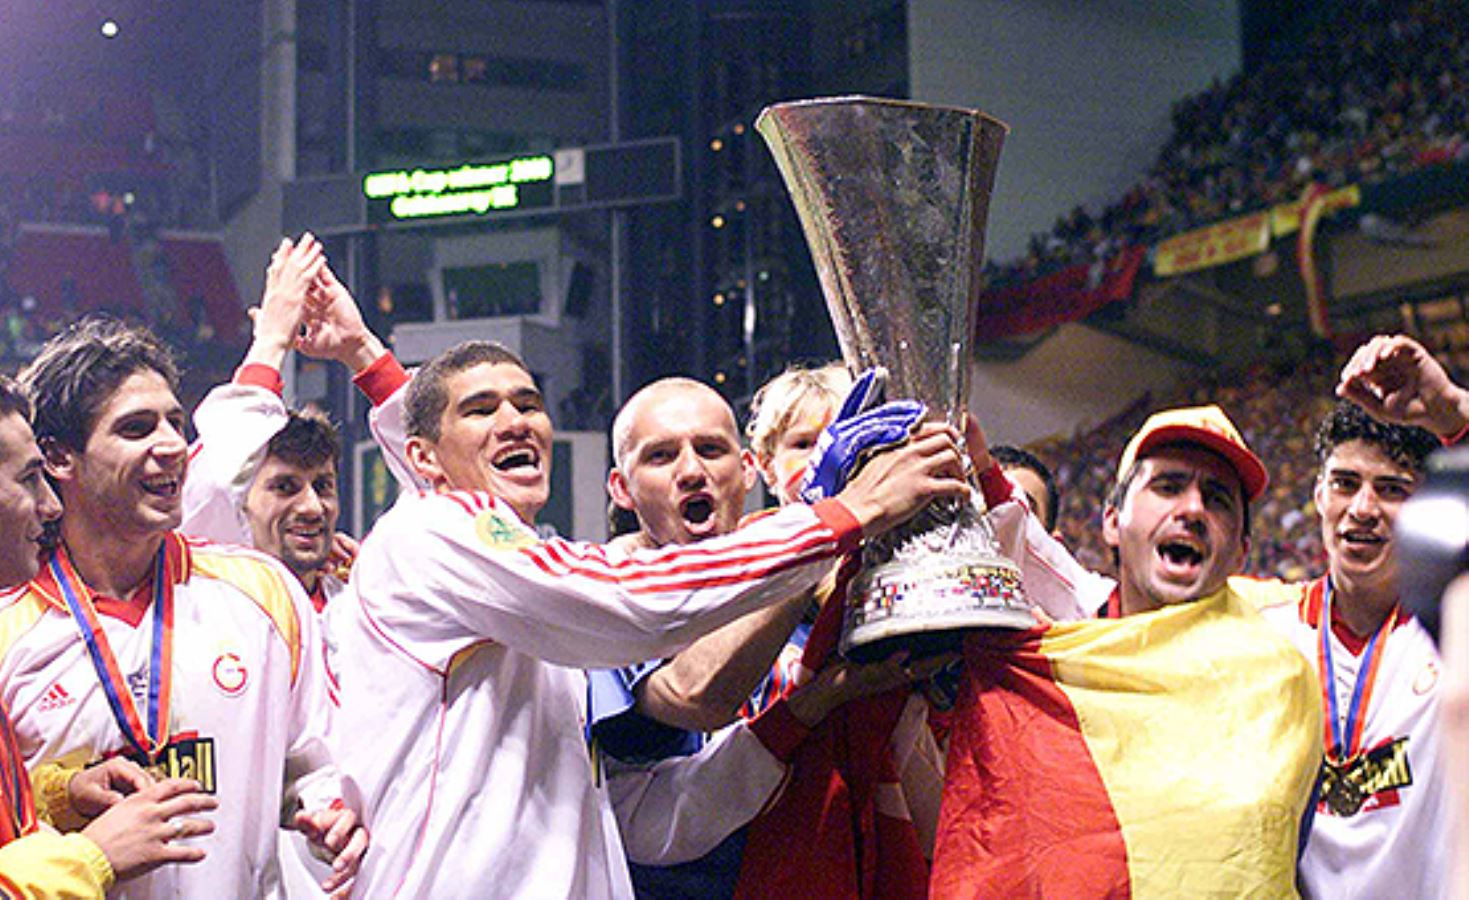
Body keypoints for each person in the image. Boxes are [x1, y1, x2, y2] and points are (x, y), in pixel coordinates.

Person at [329, 341, 969, 898]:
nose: (515, 421)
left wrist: (810, 706)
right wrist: (835, 514)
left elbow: (646, 817)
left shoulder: (535, 620)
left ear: (746, 470)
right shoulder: (434, 533)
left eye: (528, 404)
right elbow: (637, 612)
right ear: (622, 487)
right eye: (481, 409)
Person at [2, 318, 366, 898]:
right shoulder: (9, 624)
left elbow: (310, 757)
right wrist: (66, 800)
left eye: (175, 420)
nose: (173, 444)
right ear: (59, 459)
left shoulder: (263, 594)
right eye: (137, 428)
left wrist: (327, 807)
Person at [930, 404, 1320, 896]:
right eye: (1168, 487)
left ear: (1242, 550)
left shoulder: (1280, 679)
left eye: (1218, 498)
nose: (1194, 509)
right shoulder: (1054, 663)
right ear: (1112, 522)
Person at [591, 377, 945, 896]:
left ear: (746, 469)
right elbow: (697, 697)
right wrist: (823, 529)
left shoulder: (827, 593)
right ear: (622, 488)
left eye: (710, 449)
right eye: (662, 456)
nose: (692, 471)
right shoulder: (604, 600)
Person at [1242, 332, 1469, 898]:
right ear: (1318, 495)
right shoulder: (1266, 634)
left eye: (1391, 489)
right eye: (1346, 484)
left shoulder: (1456, 630)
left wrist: (1453, 412)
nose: (1363, 509)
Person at [0, 374, 217, 898]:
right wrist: (90, 857)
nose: (49, 505)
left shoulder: (257, 592)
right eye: (29, 479)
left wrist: (58, 794)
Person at [184, 234, 411, 612]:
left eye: (322, 486)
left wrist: (361, 349)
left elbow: (445, 484)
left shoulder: (365, 604)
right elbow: (215, 481)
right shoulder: (210, 596)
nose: (311, 507)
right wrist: (270, 341)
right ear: (241, 506)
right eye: (285, 487)